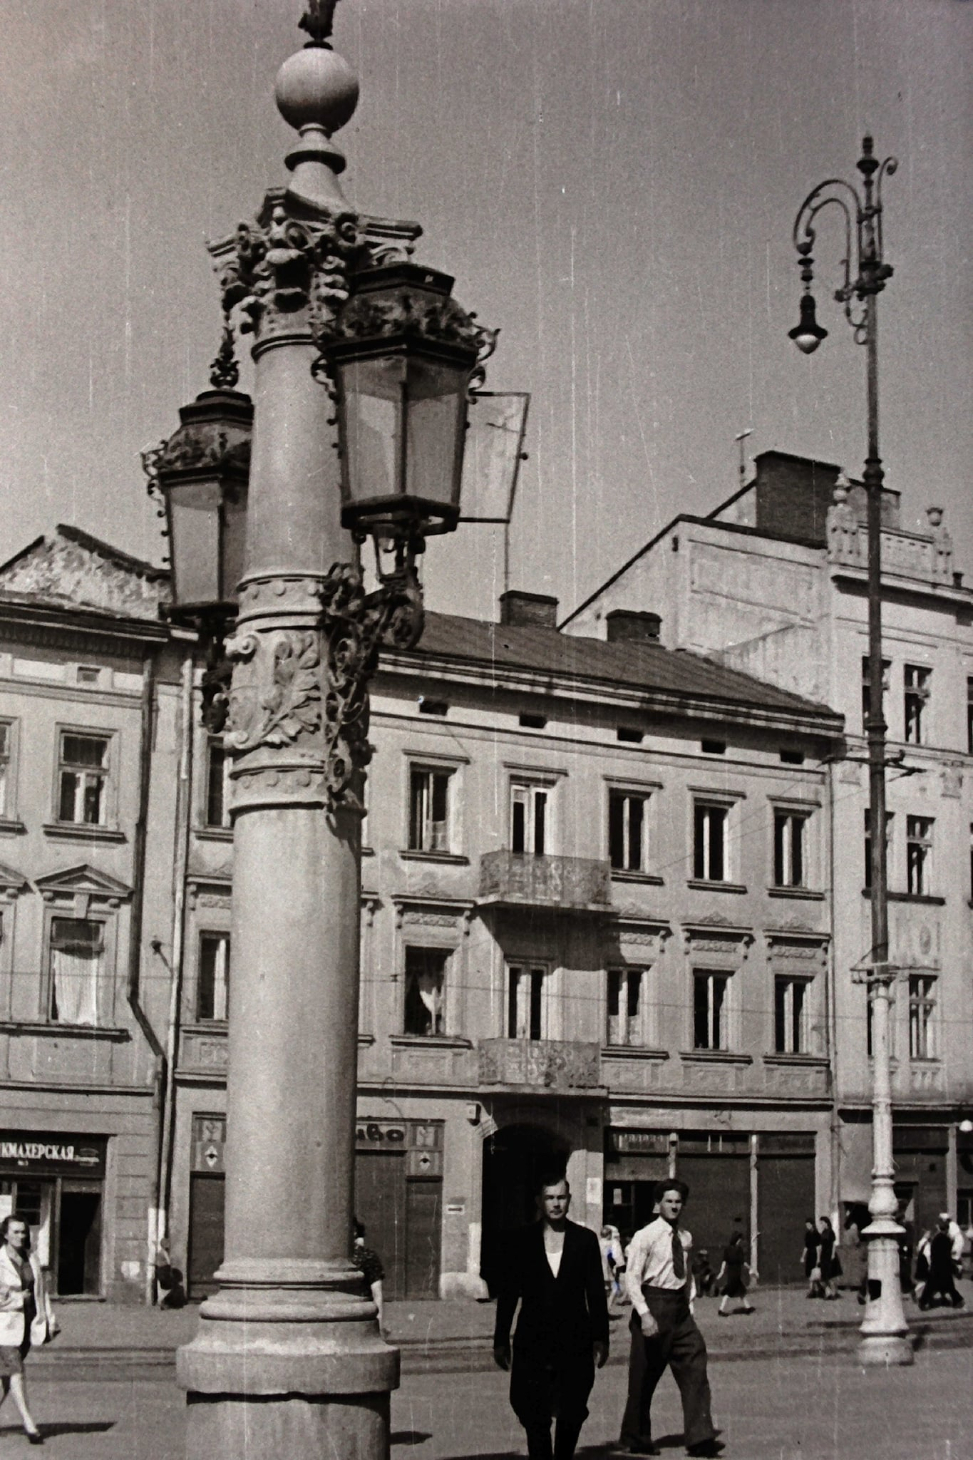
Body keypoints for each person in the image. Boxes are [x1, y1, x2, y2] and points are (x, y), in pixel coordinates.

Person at [493, 1174, 609, 1460]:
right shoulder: (521, 1241)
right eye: (549, 1197)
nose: (556, 1204)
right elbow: (508, 1296)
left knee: (572, 1411)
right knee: (534, 1414)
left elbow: (595, 1293)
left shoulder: (585, 1240)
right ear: (539, 1201)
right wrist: (500, 1339)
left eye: (561, 1197)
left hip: (575, 1342)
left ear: (569, 1200)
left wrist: (601, 1338)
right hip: (532, 1342)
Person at [615, 1179, 721, 1459]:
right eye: (669, 1201)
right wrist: (645, 1315)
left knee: (695, 1362)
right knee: (644, 1375)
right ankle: (636, 1436)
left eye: (678, 1202)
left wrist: (689, 1306)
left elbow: (687, 1275)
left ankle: (700, 1437)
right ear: (658, 1204)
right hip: (652, 1305)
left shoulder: (685, 1237)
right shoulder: (645, 1236)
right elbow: (632, 1278)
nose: (674, 1206)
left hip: (679, 1310)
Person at [0, 1214, 58, 1445]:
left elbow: (41, 1292)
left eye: (23, 1231)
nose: (20, 1235)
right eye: (15, 1231)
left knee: (5, 1378)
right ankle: (29, 1424)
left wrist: (50, 1319)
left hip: (27, 1324)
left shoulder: (31, 1258)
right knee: (16, 1371)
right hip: (3, 1326)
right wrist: (16, 1299)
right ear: (5, 1234)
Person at [917, 1217, 964, 1310]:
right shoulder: (945, 1239)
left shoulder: (936, 1238)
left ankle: (924, 1301)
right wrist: (953, 1267)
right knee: (947, 1286)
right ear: (946, 1229)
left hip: (936, 1266)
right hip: (943, 1267)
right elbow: (946, 1256)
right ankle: (957, 1300)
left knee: (932, 1286)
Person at [352, 1219, 386, 1335]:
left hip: (362, 1313)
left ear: (355, 1232)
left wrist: (380, 1323)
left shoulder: (367, 1256)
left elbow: (377, 1292)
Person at [715, 1231, 754, 1317]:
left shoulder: (728, 1249)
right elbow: (742, 1262)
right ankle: (721, 1310)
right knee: (729, 1292)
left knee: (741, 1291)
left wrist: (722, 1272)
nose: (740, 1241)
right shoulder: (738, 1249)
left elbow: (724, 1261)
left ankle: (748, 1307)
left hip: (732, 1273)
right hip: (735, 1273)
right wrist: (750, 1268)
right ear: (737, 1239)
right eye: (740, 1239)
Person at [600, 1225, 624, 1313]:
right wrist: (620, 1264)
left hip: (598, 1269)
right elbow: (616, 1257)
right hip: (607, 1269)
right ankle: (608, 1306)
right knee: (615, 1287)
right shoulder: (611, 1243)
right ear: (609, 1235)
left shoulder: (597, 1242)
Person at [817, 1216, 839, 1300]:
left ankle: (833, 1293)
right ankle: (828, 1292)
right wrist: (819, 1257)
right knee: (823, 1277)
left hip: (829, 1255)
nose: (821, 1225)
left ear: (826, 1223)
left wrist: (833, 1254)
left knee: (830, 1276)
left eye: (822, 1223)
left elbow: (833, 1244)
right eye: (820, 1223)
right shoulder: (823, 1233)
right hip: (824, 1256)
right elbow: (821, 1246)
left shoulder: (830, 1232)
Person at [800, 1218, 821, 1298]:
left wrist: (818, 1258)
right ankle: (816, 1290)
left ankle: (812, 1290)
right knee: (810, 1273)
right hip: (809, 1255)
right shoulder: (807, 1234)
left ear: (812, 1224)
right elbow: (806, 1246)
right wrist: (803, 1256)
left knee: (814, 1273)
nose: (807, 1226)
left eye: (809, 1224)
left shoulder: (816, 1234)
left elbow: (818, 1247)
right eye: (806, 1225)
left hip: (814, 1255)